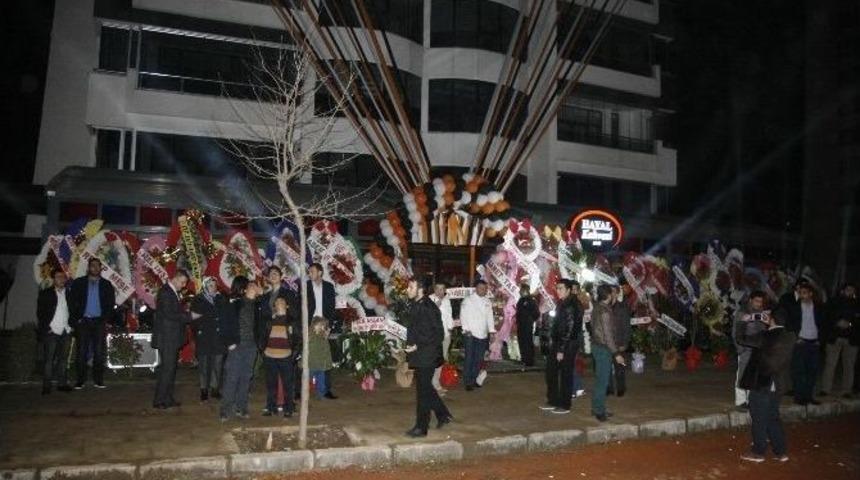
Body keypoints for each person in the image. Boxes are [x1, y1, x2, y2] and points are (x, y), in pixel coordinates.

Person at [737, 300, 795, 463]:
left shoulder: (765, 336)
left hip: (763, 382)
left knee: (759, 418)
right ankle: (780, 451)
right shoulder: (790, 336)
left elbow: (741, 339)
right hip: (779, 384)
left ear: (772, 319)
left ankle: (758, 452)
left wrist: (743, 322)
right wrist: (769, 323)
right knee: (772, 417)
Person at [404, 277, 453, 437]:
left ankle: (421, 427)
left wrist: (417, 345)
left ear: (420, 290)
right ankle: (443, 414)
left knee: (423, 393)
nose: (407, 290)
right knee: (425, 387)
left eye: (411, 287)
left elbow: (438, 334)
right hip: (420, 354)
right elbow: (418, 329)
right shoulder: (417, 304)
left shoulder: (428, 307)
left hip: (427, 355)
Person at [67, 258, 115, 389]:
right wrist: (76, 319)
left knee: (99, 352)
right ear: (88, 268)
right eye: (92, 265)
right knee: (81, 352)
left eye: (98, 266)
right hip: (83, 321)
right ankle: (80, 380)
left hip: (99, 322)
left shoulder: (106, 284)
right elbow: (71, 302)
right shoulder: (79, 283)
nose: (95, 268)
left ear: (100, 268)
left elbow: (110, 304)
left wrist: (105, 319)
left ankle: (98, 380)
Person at [219, 277, 263, 421]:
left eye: (255, 286)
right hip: (237, 346)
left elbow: (266, 319)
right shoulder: (236, 304)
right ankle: (225, 410)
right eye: (251, 285)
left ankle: (241, 407)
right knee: (232, 377)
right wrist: (229, 342)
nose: (254, 287)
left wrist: (262, 295)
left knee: (246, 377)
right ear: (245, 290)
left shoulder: (259, 306)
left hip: (251, 346)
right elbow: (225, 322)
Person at [539, 279, 582, 414]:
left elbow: (570, 329)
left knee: (565, 374)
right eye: (557, 288)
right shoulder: (562, 303)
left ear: (568, 290)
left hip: (567, 344)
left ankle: (565, 404)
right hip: (559, 342)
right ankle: (553, 400)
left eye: (561, 288)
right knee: (551, 371)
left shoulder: (571, 305)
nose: (558, 291)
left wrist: (561, 349)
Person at [152, 270, 191, 409]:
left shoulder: (170, 291)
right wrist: (189, 316)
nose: (184, 285)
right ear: (175, 278)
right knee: (167, 370)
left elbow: (174, 312)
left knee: (170, 369)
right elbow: (170, 314)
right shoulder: (166, 292)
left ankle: (167, 399)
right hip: (166, 338)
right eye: (183, 282)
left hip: (170, 337)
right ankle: (159, 400)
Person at [784, 281, 824, 406]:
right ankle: (799, 397)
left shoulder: (818, 307)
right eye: (800, 293)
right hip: (801, 341)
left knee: (812, 371)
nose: (802, 295)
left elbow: (823, 323)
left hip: (814, 342)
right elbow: (789, 324)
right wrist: (797, 337)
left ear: (810, 294)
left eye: (805, 293)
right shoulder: (795, 307)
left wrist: (819, 339)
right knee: (799, 371)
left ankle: (809, 396)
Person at [590, 284, 626, 422]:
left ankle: (597, 407)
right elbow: (608, 335)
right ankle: (599, 411)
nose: (614, 295)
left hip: (598, 346)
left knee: (601, 379)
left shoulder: (597, 307)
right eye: (612, 293)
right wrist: (616, 353)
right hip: (603, 348)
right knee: (603, 381)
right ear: (609, 295)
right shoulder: (604, 311)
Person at [260, 296, 300, 417]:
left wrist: (293, 355)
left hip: (286, 357)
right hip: (270, 356)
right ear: (274, 306)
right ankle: (271, 407)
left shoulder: (292, 321)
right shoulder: (269, 321)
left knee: (288, 384)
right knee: (271, 384)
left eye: (282, 301)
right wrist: (263, 351)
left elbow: (298, 339)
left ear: (287, 306)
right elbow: (262, 337)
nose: (279, 303)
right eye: (277, 302)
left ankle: (289, 408)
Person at [732, 291, 770, 411]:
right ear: (750, 300)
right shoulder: (742, 312)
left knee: (753, 375)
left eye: (761, 302)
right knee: (742, 374)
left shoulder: (763, 313)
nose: (759, 304)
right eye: (756, 301)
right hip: (745, 348)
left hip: (757, 349)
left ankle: (751, 400)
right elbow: (735, 331)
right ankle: (740, 401)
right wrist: (740, 349)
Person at [36, 268, 73, 394]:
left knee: (63, 359)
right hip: (52, 331)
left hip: (65, 330)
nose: (61, 279)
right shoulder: (46, 293)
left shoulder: (69, 293)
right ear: (53, 279)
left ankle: (62, 384)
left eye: (63, 277)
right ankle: (47, 386)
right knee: (49, 360)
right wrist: (47, 328)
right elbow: (40, 313)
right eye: (58, 277)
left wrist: (72, 326)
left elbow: (74, 310)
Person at [190, 276, 226, 402]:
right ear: (205, 286)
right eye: (210, 285)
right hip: (204, 336)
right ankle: (204, 390)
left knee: (218, 364)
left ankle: (215, 389)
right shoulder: (198, 299)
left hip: (218, 337)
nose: (213, 287)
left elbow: (226, 316)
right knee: (204, 365)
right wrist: (198, 331)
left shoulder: (221, 298)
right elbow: (193, 319)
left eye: (215, 285)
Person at [306, 263, 339, 399]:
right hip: (309, 324)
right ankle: (301, 389)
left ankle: (325, 390)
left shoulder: (329, 287)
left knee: (325, 357)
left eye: (312, 271)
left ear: (320, 272)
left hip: (323, 324)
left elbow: (332, 307)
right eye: (309, 272)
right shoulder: (306, 286)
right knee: (306, 356)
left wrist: (328, 326)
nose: (310, 274)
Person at [821, 283, 858, 398]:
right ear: (842, 290)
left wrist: (850, 324)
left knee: (849, 365)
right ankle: (825, 389)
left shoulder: (857, 304)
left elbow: (857, 320)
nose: (850, 292)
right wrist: (837, 322)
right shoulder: (833, 302)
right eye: (848, 289)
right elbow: (826, 317)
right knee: (830, 364)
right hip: (834, 337)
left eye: (852, 290)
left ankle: (847, 390)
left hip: (851, 339)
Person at [459, 280, 495, 391]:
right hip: (470, 334)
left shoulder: (487, 301)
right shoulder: (468, 300)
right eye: (481, 288)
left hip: (483, 335)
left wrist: (491, 331)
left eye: (485, 289)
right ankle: (467, 382)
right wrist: (466, 329)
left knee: (479, 359)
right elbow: (463, 315)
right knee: (469, 358)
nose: (483, 290)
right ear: (476, 289)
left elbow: (490, 317)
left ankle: (474, 378)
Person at [430, 281, 454, 393]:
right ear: (434, 290)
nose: (440, 291)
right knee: (433, 360)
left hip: (445, 335)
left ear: (445, 290)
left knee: (441, 360)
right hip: (434, 336)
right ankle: (432, 384)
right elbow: (426, 317)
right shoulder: (429, 300)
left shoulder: (447, 300)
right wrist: (435, 307)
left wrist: (450, 328)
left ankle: (436, 382)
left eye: (442, 289)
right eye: (438, 289)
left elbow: (449, 316)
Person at [608, 284, 631, 397]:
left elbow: (627, 326)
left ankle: (621, 388)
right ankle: (609, 388)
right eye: (610, 291)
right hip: (607, 342)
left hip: (619, 341)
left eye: (613, 291)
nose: (611, 293)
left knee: (619, 367)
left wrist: (625, 343)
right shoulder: (604, 307)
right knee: (607, 366)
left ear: (617, 293)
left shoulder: (622, 307)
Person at [515, 284, 540, 367]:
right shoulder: (521, 300)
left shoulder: (531, 300)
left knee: (527, 342)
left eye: (521, 290)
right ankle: (524, 359)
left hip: (527, 325)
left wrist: (530, 319)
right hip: (520, 324)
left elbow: (536, 313)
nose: (520, 292)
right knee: (521, 342)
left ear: (525, 291)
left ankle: (529, 360)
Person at [308, 316, 333, 400]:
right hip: (311, 363)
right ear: (315, 325)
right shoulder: (310, 335)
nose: (323, 327)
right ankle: (305, 393)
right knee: (307, 379)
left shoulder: (323, 336)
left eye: (323, 325)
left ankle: (321, 394)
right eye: (321, 325)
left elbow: (326, 350)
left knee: (321, 381)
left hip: (320, 364)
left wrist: (325, 336)